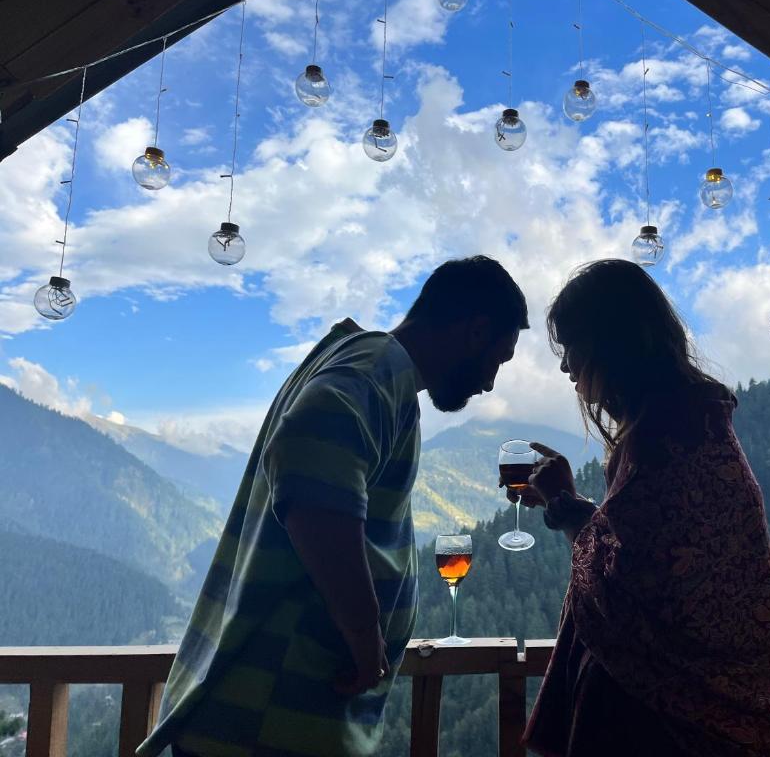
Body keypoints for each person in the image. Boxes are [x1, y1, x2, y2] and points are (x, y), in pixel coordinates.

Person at [137, 256, 527, 757]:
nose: (491, 383)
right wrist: (366, 638)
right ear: (475, 332)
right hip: (266, 719)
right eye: (498, 359)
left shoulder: (363, 362)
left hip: (269, 715)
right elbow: (305, 450)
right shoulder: (377, 366)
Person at [520, 259, 770, 756]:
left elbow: (626, 589)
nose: (566, 367)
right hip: (710, 714)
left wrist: (564, 504)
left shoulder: (665, 434)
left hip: (656, 723)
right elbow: (655, 556)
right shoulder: (692, 421)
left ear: (611, 343)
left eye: (572, 347)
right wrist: (574, 508)